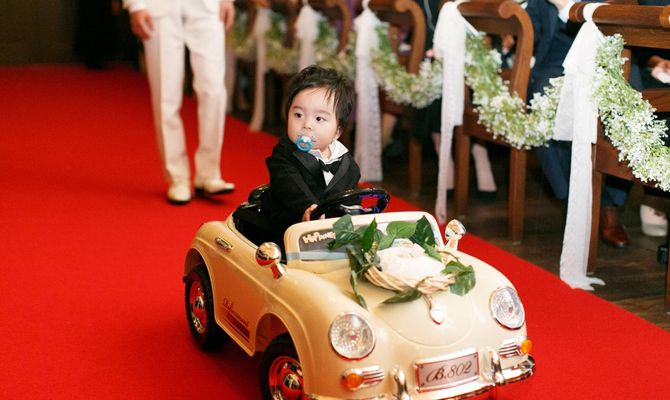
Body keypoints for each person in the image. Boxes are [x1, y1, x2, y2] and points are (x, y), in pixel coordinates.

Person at [526, 0, 631, 248]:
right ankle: (576, 201)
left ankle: (607, 204)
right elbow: (531, 25)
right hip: (556, 59)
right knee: (541, 100)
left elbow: (623, 14)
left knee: (625, 101)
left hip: (609, 55)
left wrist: (568, 8)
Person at [123, 0, 236, 204]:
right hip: (158, 8)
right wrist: (135, 5)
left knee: (213, 89)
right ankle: (177, 177)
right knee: (165, 93)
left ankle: (209, 173)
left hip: (207, 7)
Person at [262, 65, 360, 234]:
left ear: (337, 131)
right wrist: (307, 207)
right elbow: (289, 185)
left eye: (319, 118)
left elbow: (351, 200)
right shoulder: (283, 155)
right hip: (286, 230)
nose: (307, 125)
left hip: (330, 235)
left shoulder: (348, 165)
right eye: (298, 115)